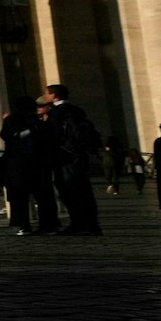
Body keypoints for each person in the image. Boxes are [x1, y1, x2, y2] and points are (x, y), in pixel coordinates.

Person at [42, 84, 102, 235]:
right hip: (80, 155)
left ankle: (78, 224)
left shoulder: (56, 112)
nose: (45, 97)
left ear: (54, 96)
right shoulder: (77, 109)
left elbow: (54, 136)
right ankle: (92, 224)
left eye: (47, 94)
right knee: (84, 190)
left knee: (69, 190)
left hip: (64, 157)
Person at [1, 95, 61, 236]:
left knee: (20, 197)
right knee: (43, 196)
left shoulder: (11, 120)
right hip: (39, 164)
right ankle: (48, 225)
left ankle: (23, 226)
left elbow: (4, 136)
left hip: (18, 164)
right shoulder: (40, 121)